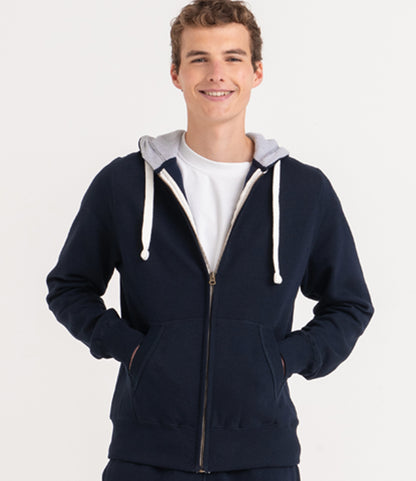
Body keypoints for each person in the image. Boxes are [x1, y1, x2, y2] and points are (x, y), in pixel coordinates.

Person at [45, 1, 374, 480]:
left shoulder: (304, 191)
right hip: (145, 455)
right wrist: (134, 351)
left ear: (256, 72)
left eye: (232, 58)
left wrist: (283, 359)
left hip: (262, 457)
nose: (216, 73)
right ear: (176, 74)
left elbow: (349, 304)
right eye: (199, 58)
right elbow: (69, 286)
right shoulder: (124, 184)